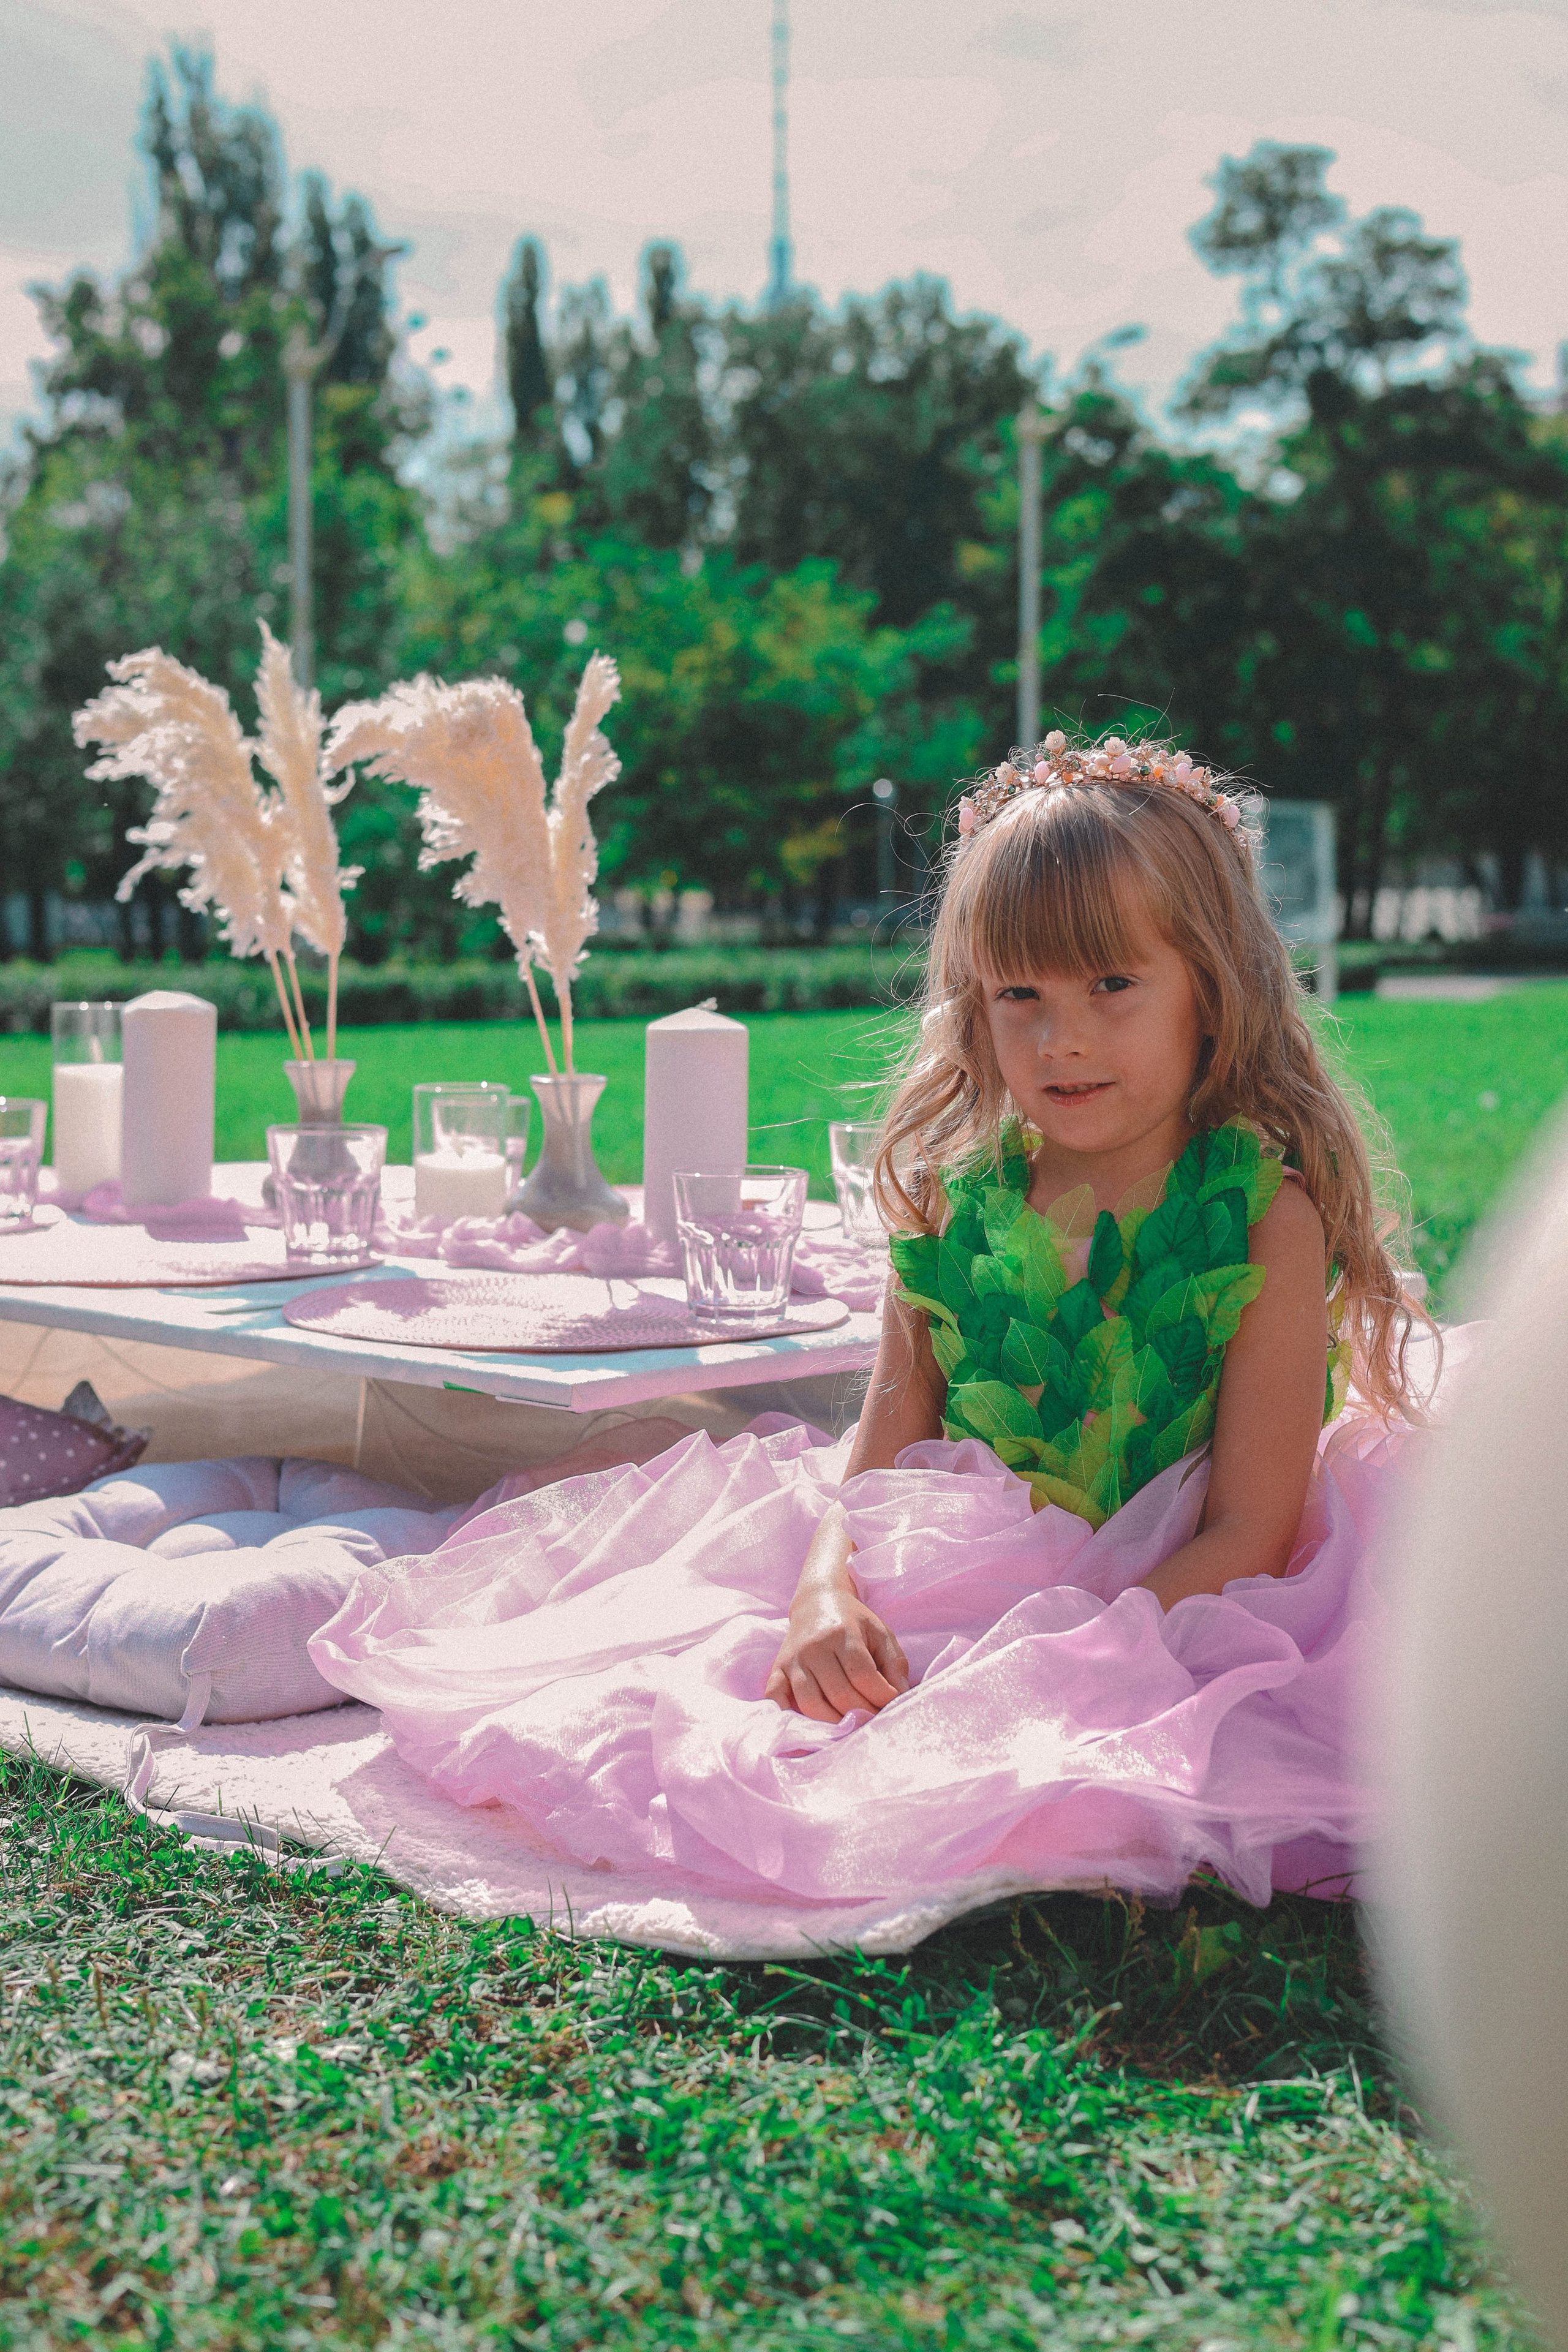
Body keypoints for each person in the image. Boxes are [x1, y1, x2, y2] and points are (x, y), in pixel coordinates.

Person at [310, 730, 1441, 1934]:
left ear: (1208, 988)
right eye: (1021, 995)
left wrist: (1061, 1658)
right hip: (970, 1564)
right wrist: (818, 1598)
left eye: (1111, 985)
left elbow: (1251, 1530)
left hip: (1181, 1604)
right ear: (974, 1002)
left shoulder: (1263, 1219)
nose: (1061, 1039)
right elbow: (872, 1460)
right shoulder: (955, 1205)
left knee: (1064, 1767)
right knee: (738, 1718)